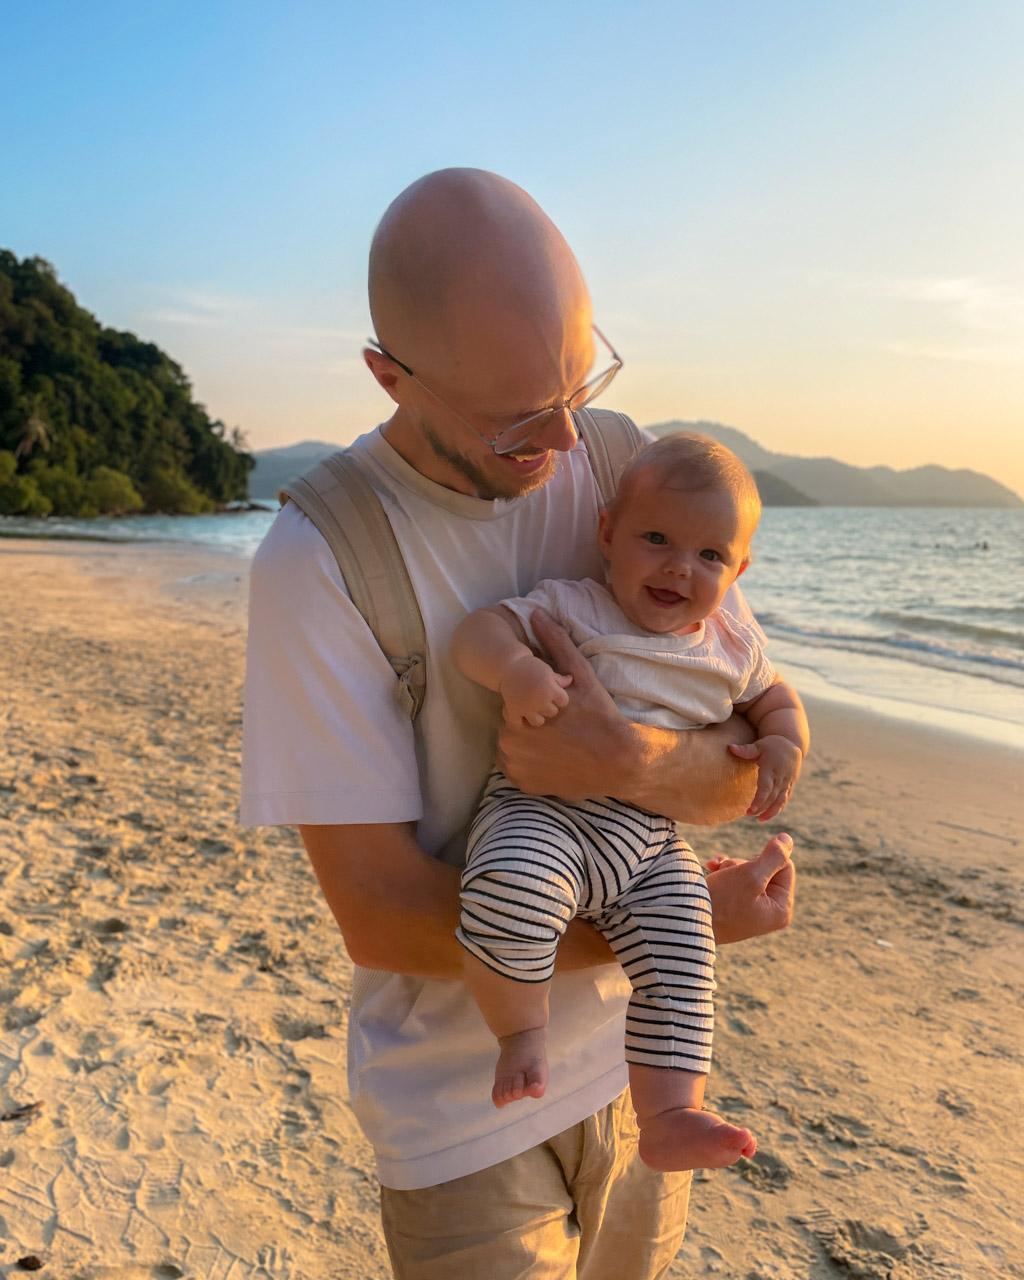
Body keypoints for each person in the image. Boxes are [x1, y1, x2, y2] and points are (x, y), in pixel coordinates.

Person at [240, 167, 797, 1280]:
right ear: (388, 374)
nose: (561, 440)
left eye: (577, 387)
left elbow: (739, 748)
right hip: (459, 1107)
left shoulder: (622, 466)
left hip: (644, 1073)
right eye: (514, 421)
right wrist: (689, 924)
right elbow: (382, 914)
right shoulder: (320, 559)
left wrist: (633, 759)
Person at [452, 431, 809, 1174]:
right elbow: (478, 632)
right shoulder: (574, 606)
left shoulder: (731, 646)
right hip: (541, 810)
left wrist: (784, 745)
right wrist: (517, 669)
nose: (682, 566)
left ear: (739, 570)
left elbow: (779, 700)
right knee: (511, 889)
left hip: (649, 841)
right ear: (608, 532)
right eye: (657, 538)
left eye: (711, 556)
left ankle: (671, 1111)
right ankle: (520, 1031)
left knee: (685, 958)